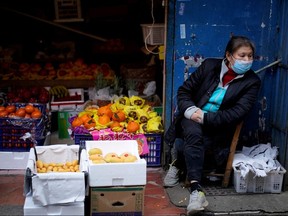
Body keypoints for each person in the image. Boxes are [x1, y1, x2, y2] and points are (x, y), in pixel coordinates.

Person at [163, 35, 261, 215]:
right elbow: (184, 91)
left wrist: (205, 118)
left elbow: (238, 112)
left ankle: (179, 165)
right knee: (192, 131)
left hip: (218, 124)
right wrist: (192, 110)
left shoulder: (252, 82)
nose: (247, 60)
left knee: (196, 137)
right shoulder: (209, 66)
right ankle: (196, 190)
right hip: (192, 116)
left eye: (250, 56)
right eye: (242, 55)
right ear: (229, 56)